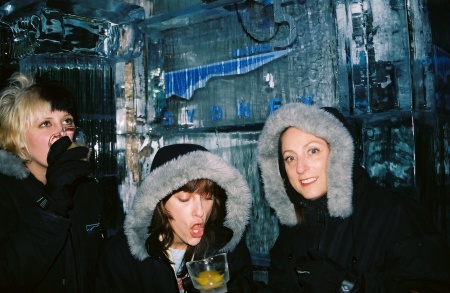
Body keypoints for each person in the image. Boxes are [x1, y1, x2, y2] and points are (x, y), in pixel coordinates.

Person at [255, 103, 450, 292]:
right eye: (290, 157)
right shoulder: (294, 227)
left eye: (313, 151)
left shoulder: (394, 213)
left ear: (340, 154)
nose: (300, 168)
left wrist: (348, 285)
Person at [96, 143, 254, 292]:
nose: (200, 212)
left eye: (208, 197)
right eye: (185, 199)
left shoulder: (228, 246)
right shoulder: (123, 255)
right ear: (159, 202)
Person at [0, 72, 105, 292]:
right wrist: (53, 204)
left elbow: (98, 269)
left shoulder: (86, 189)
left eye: (67, 121)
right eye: (45, 123)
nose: (62, 132)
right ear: (18, 140)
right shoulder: (6, 192)